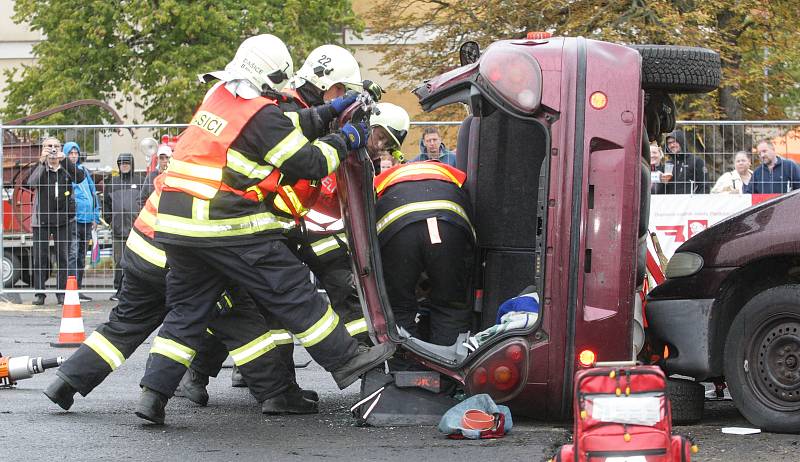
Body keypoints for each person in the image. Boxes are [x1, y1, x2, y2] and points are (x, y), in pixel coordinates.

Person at [134, 34, 393, 425]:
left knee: (187, 312)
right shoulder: (264, 115)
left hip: (175, 221)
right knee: (292, 289)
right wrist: (346, 138)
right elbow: (307, 161)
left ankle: (153, 395)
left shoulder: (221, 96)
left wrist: (332, 109)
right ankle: (348, 361)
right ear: (269, 78)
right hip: (224, 221)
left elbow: (289, 123)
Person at [43, 175, 301, 415]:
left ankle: (66, 383)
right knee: (240, 323)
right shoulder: (233, 172)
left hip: (141, 255)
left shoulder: (188, 159)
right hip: (184, 263)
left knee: (122, 327)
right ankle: (276, 394)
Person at [374, 131, 474, 349]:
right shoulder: (454, 174)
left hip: (398, 227)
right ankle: (447, 369)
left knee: (399, 306)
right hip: (448, 223)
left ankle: (408, 368)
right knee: (451, 305)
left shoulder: (385, 180)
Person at [27, 137, 85, 305]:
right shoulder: (40, 168)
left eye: (55, 146)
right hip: (42, 221)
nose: (52, 149)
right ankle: (40, 293)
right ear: (43, 149)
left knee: (63, 258)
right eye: (48, 146)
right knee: (40, 258)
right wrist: (41, 162)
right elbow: (31, 183)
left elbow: (80, 177)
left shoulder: (66, 167)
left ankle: (61, 292)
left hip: (63, 220)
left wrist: (64, 160)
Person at [103, 152, 145, 300]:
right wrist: (111, 221)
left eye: (127, 163)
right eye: (121, 163)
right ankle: (119, 290)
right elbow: (106, 206)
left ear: (132, 164)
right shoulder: (112, 183)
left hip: (137, 231)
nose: (124, 165)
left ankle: (136, 291)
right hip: (118, 231)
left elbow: (145, 202)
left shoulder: (141, 181)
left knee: (137, 262)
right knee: (119, 261)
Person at [64, 142, 100, 302]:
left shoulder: (84, 171)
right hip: (73, 220)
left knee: (81, 256)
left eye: (75, 153)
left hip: (87, 220)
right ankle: (71, 290)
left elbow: (93, 194)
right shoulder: (64, 172)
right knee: (72, 255)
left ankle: (78, 289)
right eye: (70, 153)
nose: (73, 155)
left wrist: (95, 216)